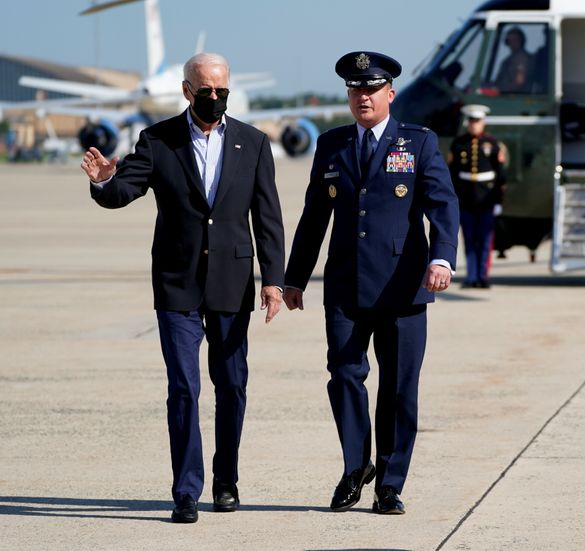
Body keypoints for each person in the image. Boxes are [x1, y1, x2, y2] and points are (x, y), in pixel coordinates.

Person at [80, 52, 285, 523]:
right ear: (188, 91)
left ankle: (226, 481)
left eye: (222, 91)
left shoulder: (252, 143)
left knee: (232, 386)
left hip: (233, 284)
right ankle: (186, 490)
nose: (215, 99)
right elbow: (122, 191)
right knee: (184, 389)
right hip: (178, 286)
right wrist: (102, 183)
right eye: (206, 91)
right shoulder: (158, 141)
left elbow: (268, 218)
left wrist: (273, 281)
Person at [283, 51, 459, 515]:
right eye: (356, 89)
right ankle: (356, 466)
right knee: (344, 376)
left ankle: (390, 482)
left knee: (399, 388)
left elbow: (443, 205)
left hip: (403, 287)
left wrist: (441, 258)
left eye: (372, 89)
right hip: (345, 284)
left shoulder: (418, 143)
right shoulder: (332, 144)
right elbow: (314, 216)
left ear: (390, 94)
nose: (363, 96)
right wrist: (294, 278)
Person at [448, 104, 506, 288]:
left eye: (478, 121)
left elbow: (500, 176)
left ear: (483, 123)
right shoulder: (458, 143)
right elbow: (452, 173)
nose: (474, 125)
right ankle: (472, 277)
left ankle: (483, 276)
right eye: (472, 121)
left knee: (485, 240)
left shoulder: (493, 143)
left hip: (486, 199)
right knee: (469, 240)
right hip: (466, 198)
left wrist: (498, 201)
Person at [494, 27, 541, 94]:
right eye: (510, 40)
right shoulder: (509, 59)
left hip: (515, 97)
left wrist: (502, 91)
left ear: (521, 41)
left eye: (515, 40)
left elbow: (519, 81)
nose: (512, 43)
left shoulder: (522, 58)